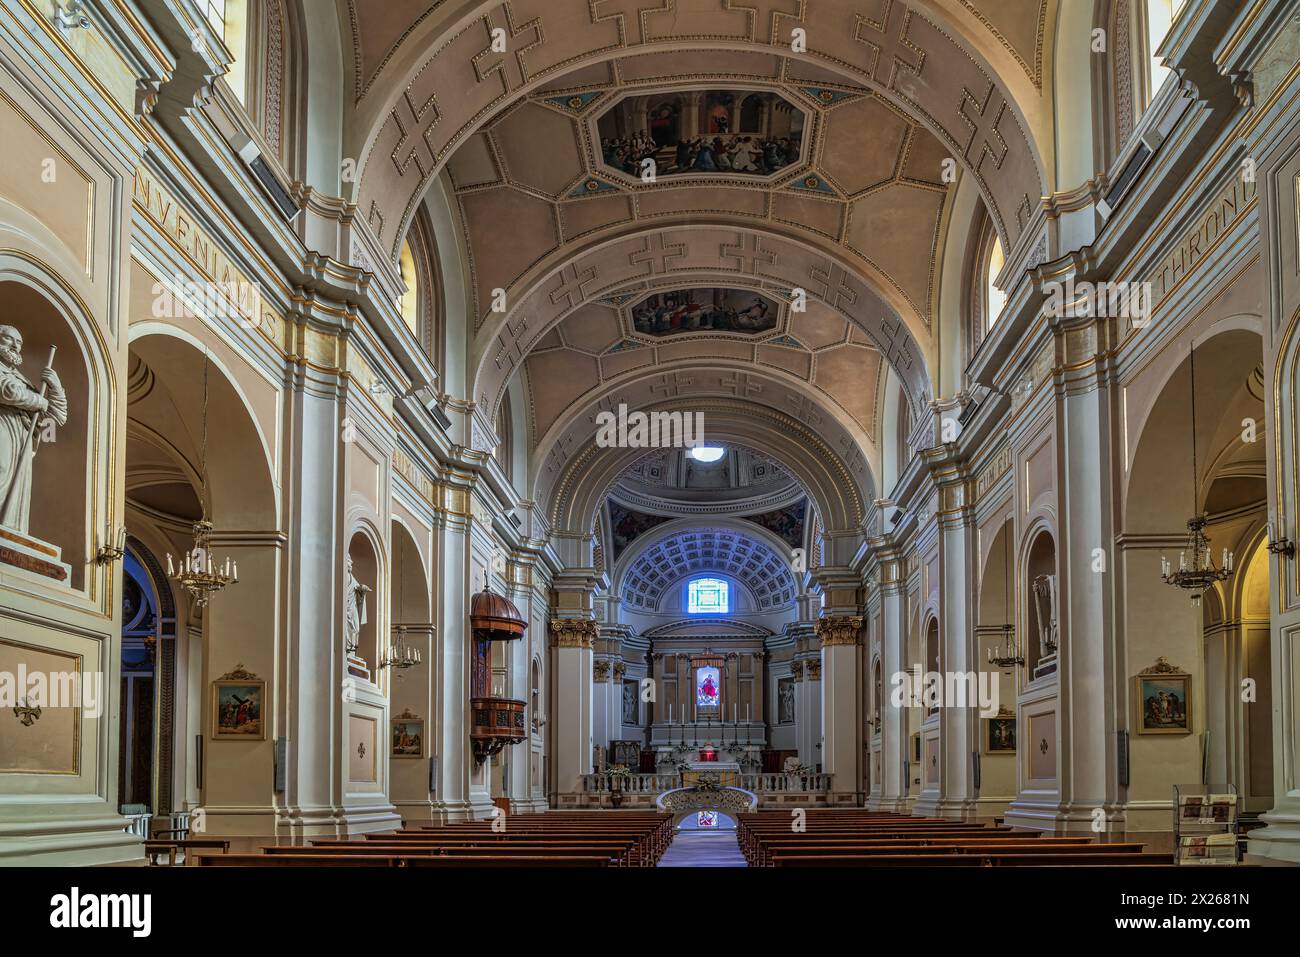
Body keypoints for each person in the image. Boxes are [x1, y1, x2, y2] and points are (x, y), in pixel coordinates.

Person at [0, 325, 66, 534]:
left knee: (16, 487)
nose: (15, 345)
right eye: (9, 339)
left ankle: (10, 532)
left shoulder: (23, 381)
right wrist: (41, 401)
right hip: (2, 428)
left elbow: (54, 422)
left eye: (19, 342)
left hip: (22, 441)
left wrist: (55, 388)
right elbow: (8, 392)